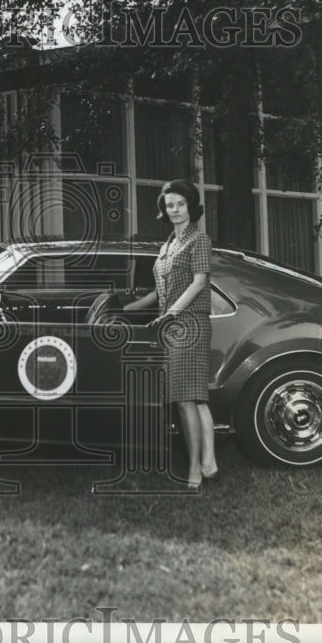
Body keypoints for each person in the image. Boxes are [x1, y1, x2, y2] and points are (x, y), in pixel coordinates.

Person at [123, 179, 218, 489]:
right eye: (169, 205)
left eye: (180, 204)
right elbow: (158, 291)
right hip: (172, 325)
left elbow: (199, 282)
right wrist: (128, 308)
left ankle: (195, 469)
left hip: (189, 323)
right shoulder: (167, 245)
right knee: (192, 397)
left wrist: (171, 314)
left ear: (191, 206)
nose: (174, 210)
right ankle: (207, 461)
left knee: (185, 398)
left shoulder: (199, 240)